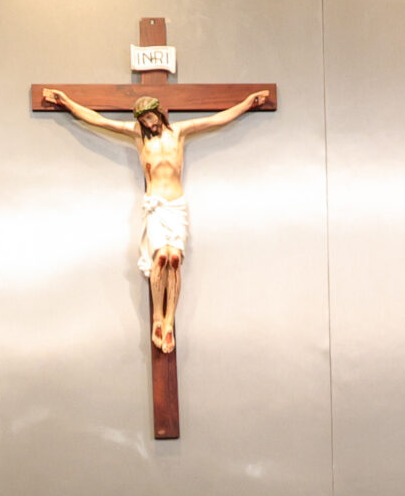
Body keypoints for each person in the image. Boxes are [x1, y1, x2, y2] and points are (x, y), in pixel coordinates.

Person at [40, 86, 272, 351]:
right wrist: (68, 103)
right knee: (161, 258)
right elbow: (99, 120)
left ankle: (169, 321)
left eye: (150, 117)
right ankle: (157, 319)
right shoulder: (138, 135)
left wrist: (246, 103)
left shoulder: (179, 132)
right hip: (155, 206)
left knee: (174, 260)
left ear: (159, 114)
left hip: (176, 205)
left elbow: (216, 118)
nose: (148, 123)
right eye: (143, 120)